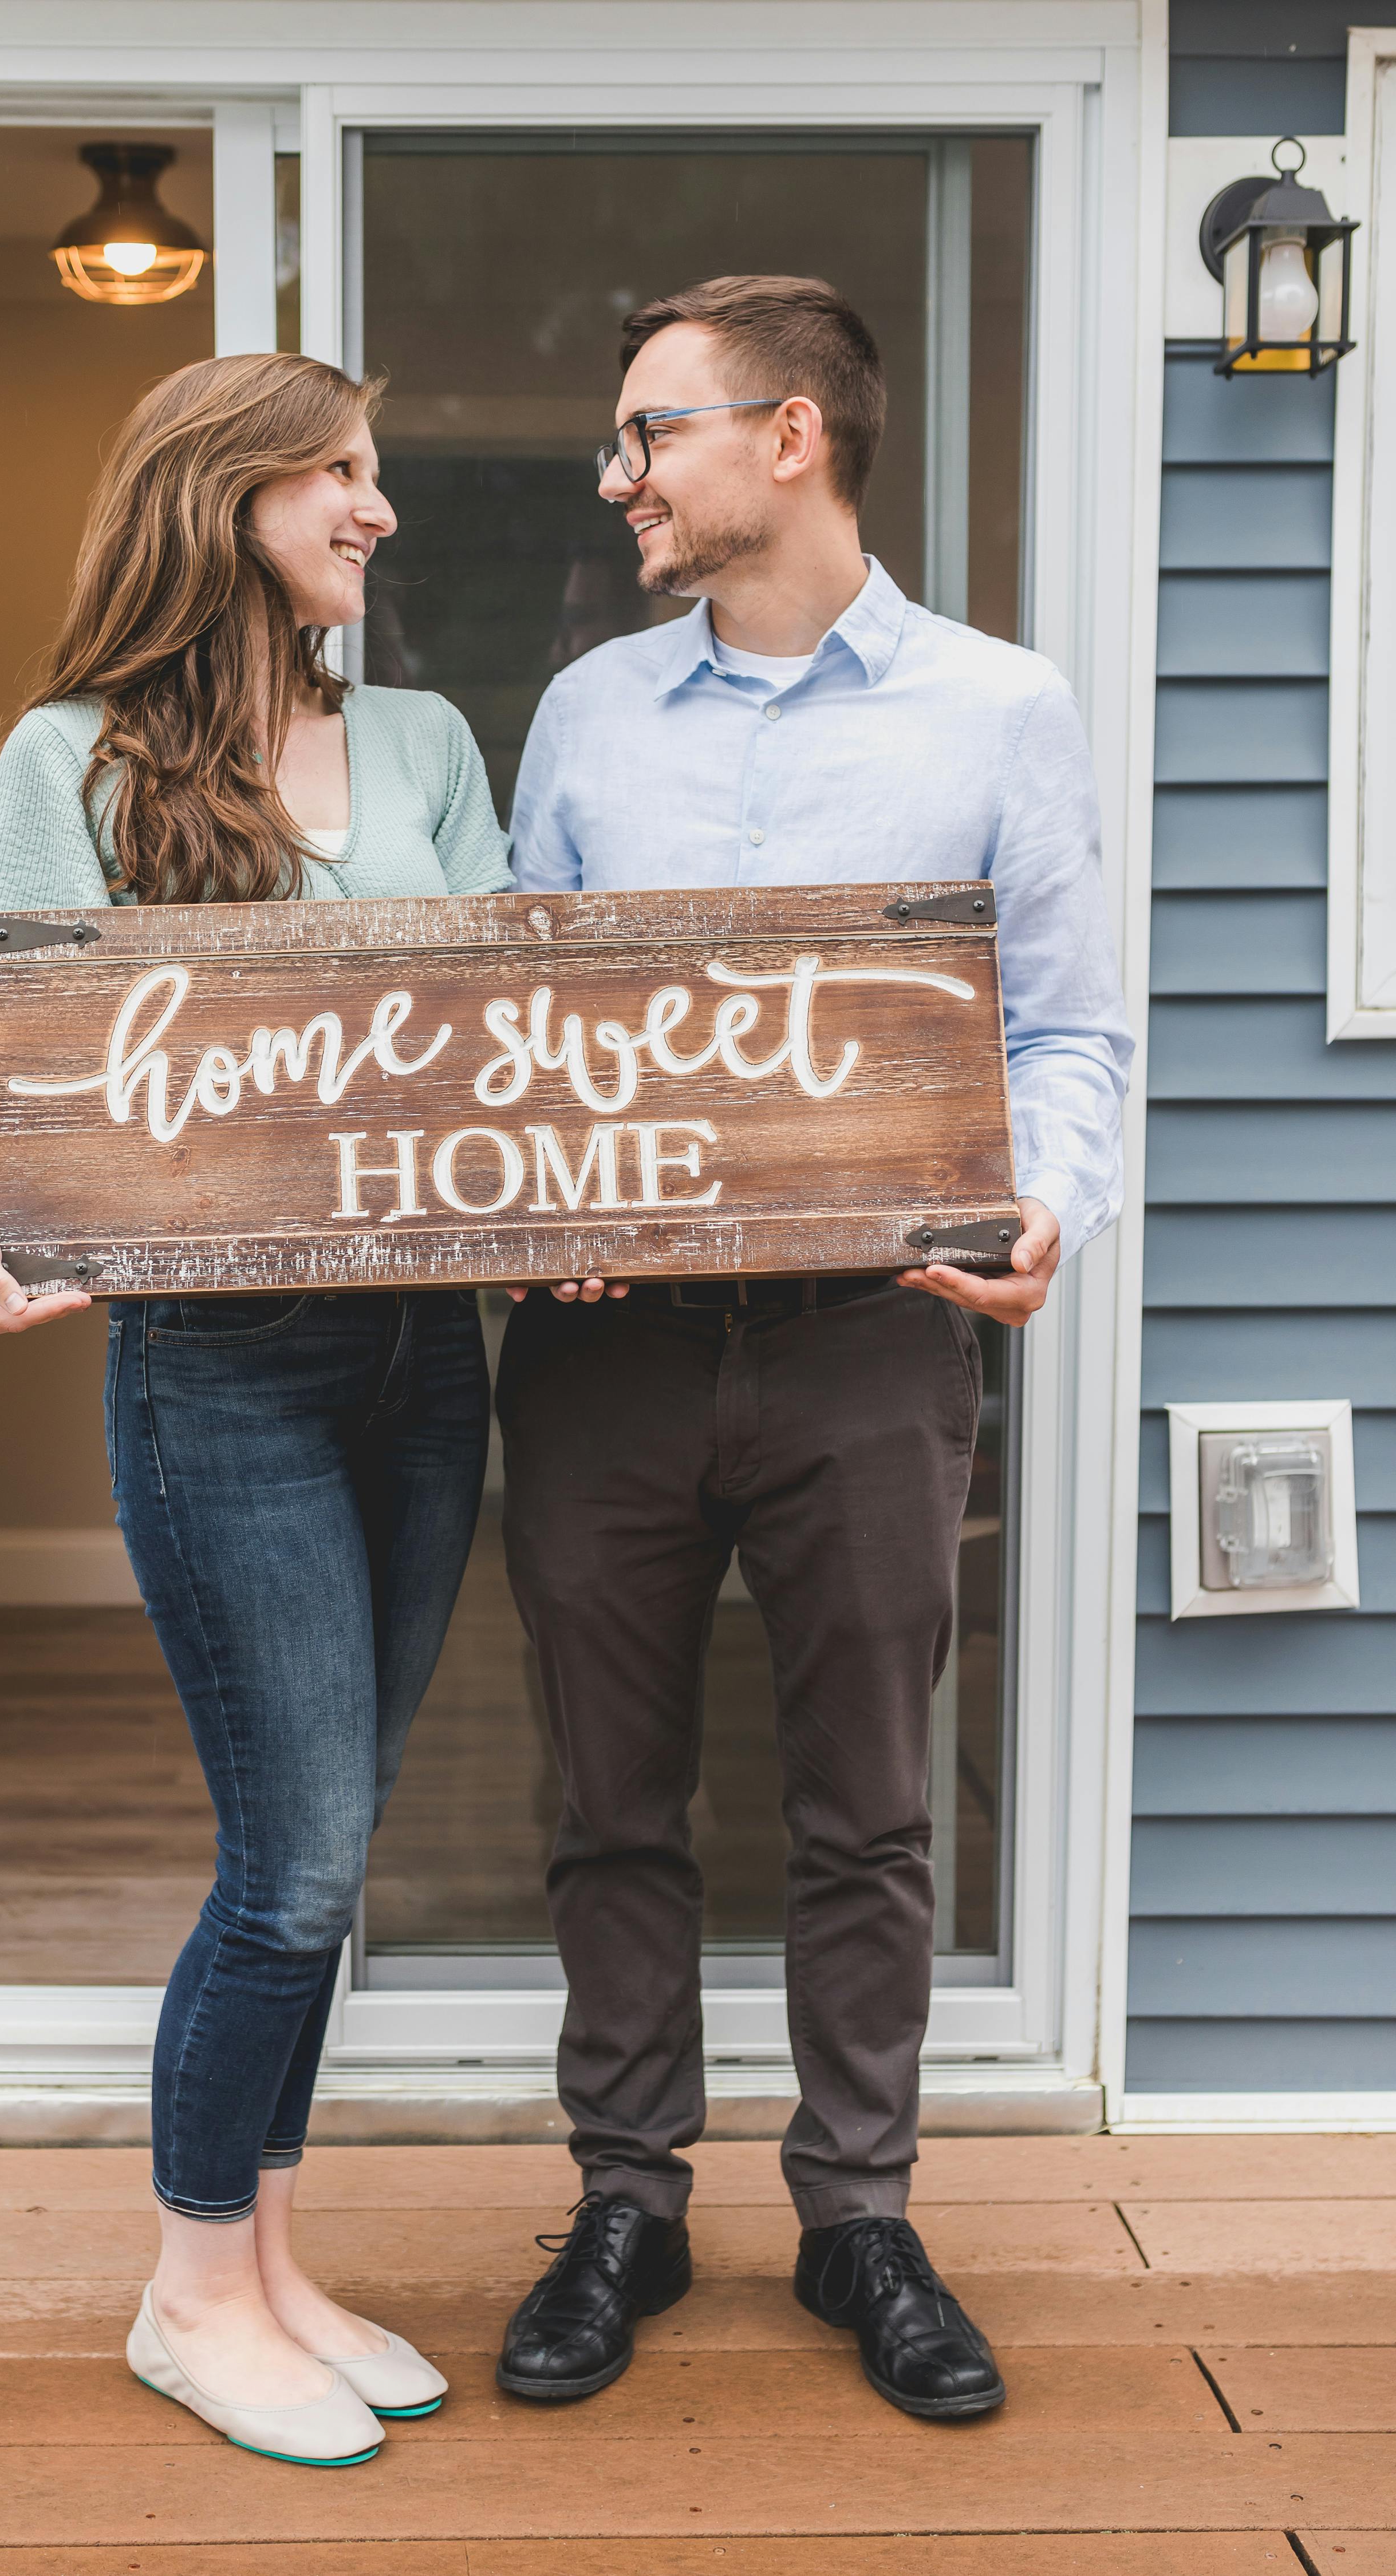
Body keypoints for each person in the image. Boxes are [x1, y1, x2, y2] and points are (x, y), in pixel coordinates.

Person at [494, 276, 1133, 2419]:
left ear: (790, 440)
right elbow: (524, 1039)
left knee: (869, 1809)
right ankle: (628, 2200)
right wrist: (534, 1208)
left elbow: (1067, 1031)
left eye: (652, 431)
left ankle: (860, 2208)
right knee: (609, 1799)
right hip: (603, 1360)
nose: (623, 474)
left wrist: (1050, 1204)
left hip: (875, 1348)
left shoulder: (997, 710)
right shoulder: (583, 711)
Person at [0, 352, 512, 2467]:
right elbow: (12, 1049)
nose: (376, 510)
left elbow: (510, 1030)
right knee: (290, 1860)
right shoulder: (69, 760)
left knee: (328, 1859)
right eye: (338, 474)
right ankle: (189, 2291)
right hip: (218, 1359)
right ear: (221, 496)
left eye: (377, 473)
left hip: (427, 1355)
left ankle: (267, 2258)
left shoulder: (430, 743)